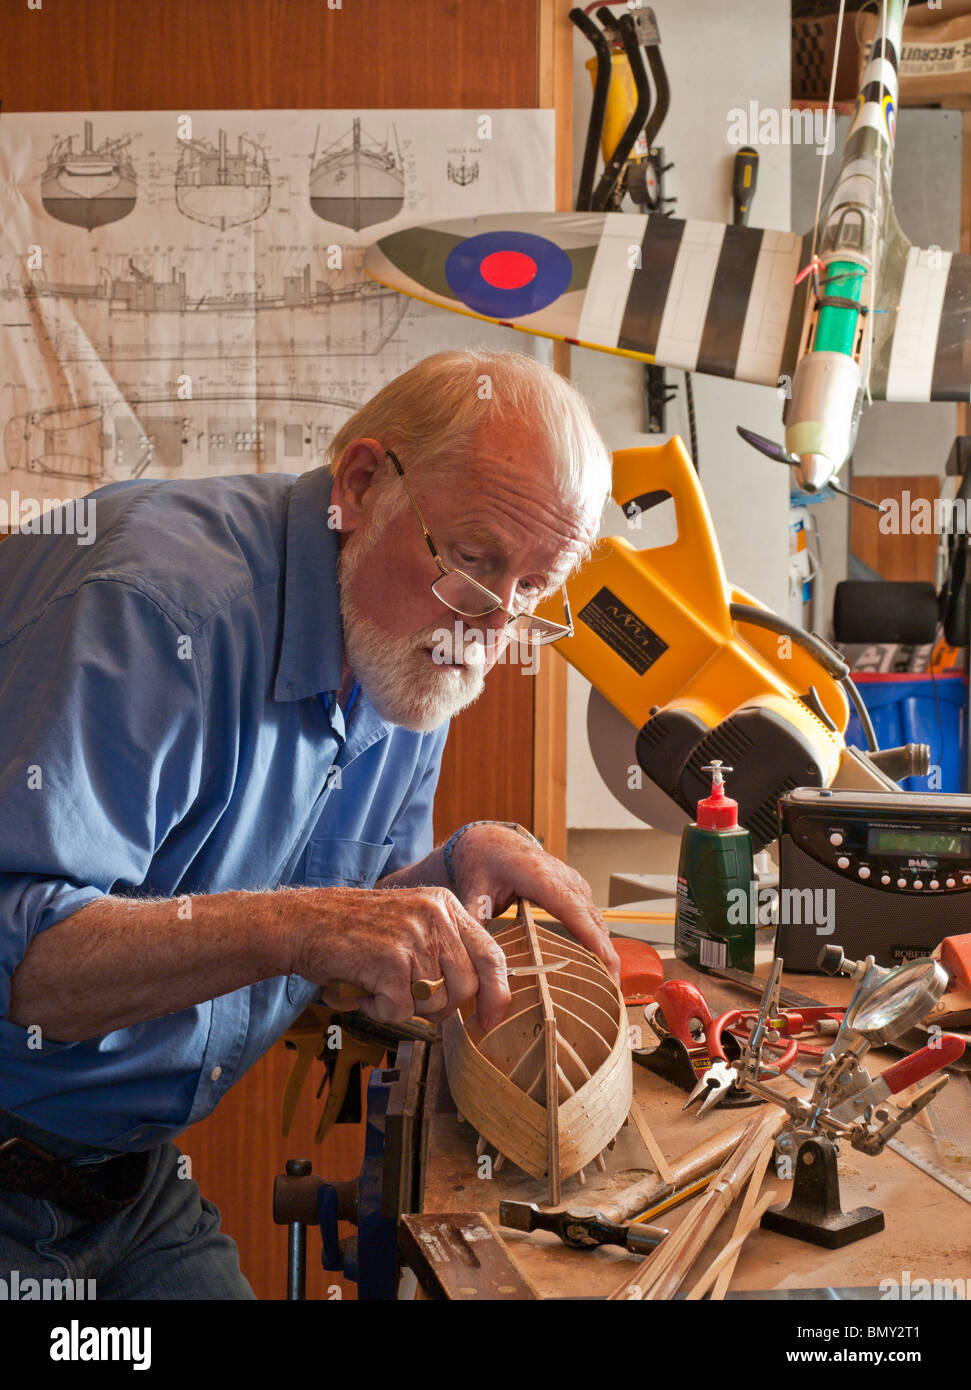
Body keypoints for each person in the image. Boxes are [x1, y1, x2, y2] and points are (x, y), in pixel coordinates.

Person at [0, 349, 616, 1298]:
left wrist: (447, 874)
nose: (490, 634)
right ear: (362, 485)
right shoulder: (151, 611)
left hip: (124, 1184)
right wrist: (304, 926)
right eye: (474, 561)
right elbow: (22, 966)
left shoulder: (410, 651)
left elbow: (348, 926)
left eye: (536, 588)